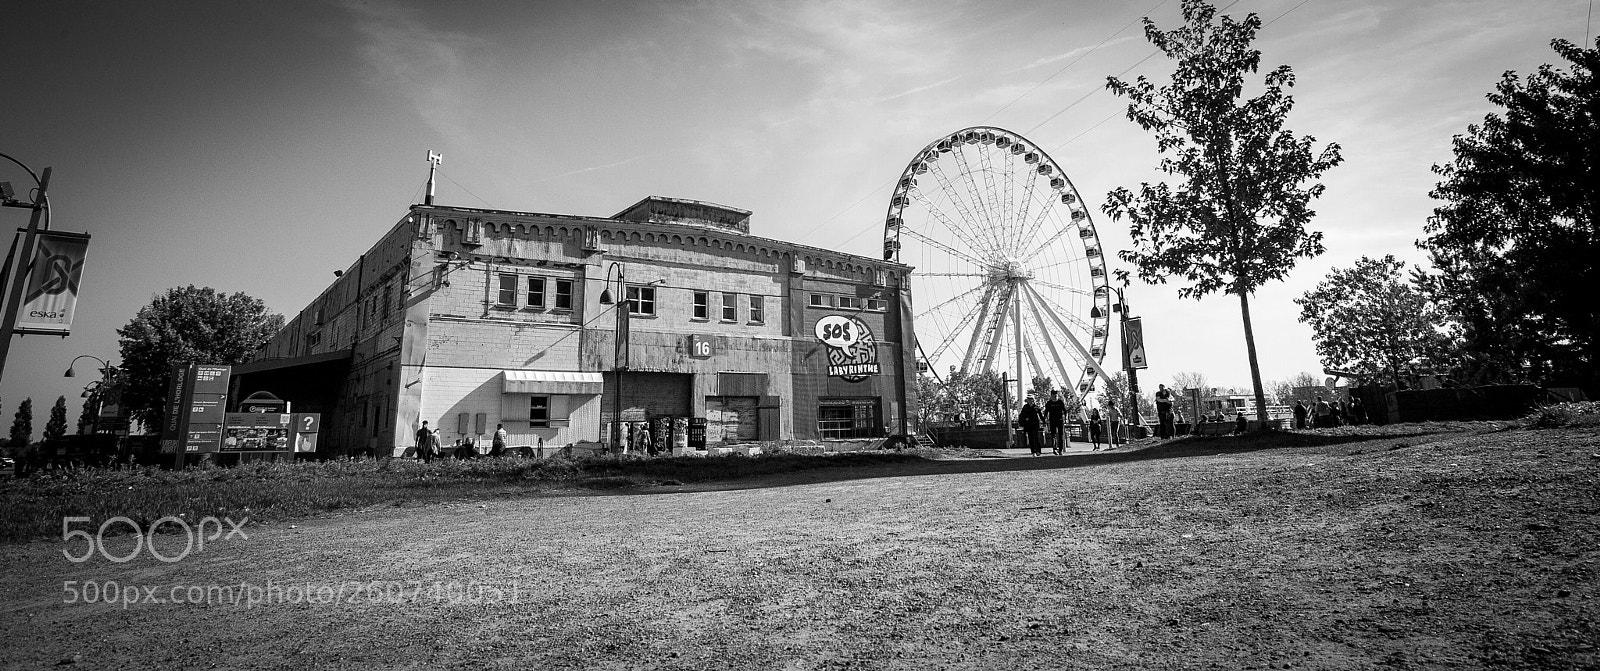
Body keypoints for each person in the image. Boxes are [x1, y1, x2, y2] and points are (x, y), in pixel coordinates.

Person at [1043, 390, 1070, 455]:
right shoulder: (1049, 403)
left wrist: (1066, 418)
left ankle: (1060, 450)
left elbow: (1065, 411)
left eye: (1056, 396)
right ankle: (1054, 449)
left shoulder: (1060, 402)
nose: (1054, 397)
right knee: (1053, 435)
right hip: (1052, 421)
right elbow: (1046, 412)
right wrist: (1044, 419)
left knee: (1061, 436)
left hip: (1060, 420)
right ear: (1051, 396)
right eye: (1053, 396)